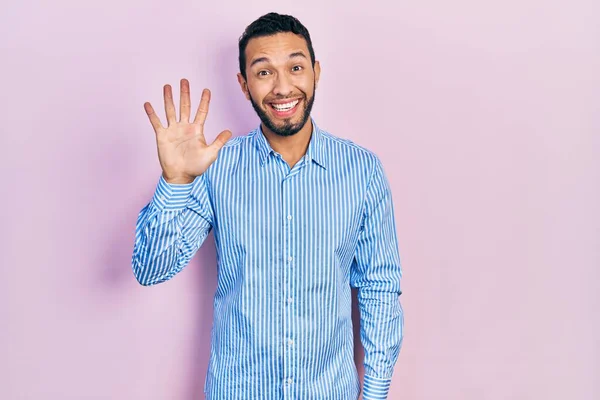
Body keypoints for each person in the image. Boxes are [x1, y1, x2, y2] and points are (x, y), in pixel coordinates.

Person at [132, 12, 404, 400]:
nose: (283, 87)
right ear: (243, 85)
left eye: (295, 67)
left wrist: (374, 393)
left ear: (316, 72)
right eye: (263, 73)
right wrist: (176, 181)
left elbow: (379, 288)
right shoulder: (216, 167)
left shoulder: (362, 171)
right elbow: (150, 269)